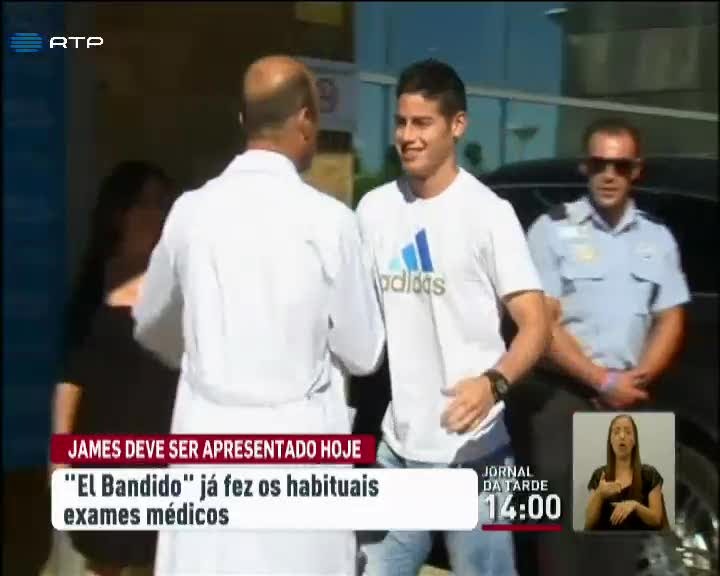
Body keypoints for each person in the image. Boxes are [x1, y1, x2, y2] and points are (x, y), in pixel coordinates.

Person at [132, 55, 385, 575]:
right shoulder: (330, 222)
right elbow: (364, 353)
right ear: (306, 120)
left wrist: (204, 356)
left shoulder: (191, 212)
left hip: (207, 445)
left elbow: (151, 323)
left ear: (243, 120)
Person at [355, 59, 549, 576]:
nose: (407, 136)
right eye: (401, 122)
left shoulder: (489, 214)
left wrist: (493, 384)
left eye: (423, 123)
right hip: (398, 449)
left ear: (457, 125)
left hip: (476, 455)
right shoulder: (373, 210)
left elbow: (535, 325)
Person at [525, 118, 689, 575]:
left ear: (637, 170)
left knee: (618, 555)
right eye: (599, 163)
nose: (609, 174)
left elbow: (671, 315)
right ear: (585, 166)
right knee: (562, 556)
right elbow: (543, 322)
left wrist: (638, 378)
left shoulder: (657, 237)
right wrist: (600, 380)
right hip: (564, 397)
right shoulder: (550, 229)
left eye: (621, 165)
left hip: (629, 400)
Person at [50, 161, 179, 576]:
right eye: (145, 202)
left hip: (163, 452)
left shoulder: (180, 280)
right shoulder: (95, 280)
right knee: (102, 559)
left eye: (163, 203)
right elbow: (71, 378)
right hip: (103, 451)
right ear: (118, 212)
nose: (156, 213)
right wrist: (60, 459)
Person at [584, 414, 666, 531]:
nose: (622, 436)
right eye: (616, 432)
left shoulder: (650, 474)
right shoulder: (599, 475)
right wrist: (599, 494)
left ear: (634, 440)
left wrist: (635, 506)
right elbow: (588, 523)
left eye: (628, 432)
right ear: (610, 441)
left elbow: (656, 519)